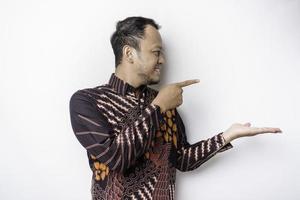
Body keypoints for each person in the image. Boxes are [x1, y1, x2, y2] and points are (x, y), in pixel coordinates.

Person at [69, 16, 282, 200]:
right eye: (156, 52)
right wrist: (159, 106)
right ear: (129, 53)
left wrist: (227, 135)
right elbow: (116, 158)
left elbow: (181, 159)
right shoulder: (87, 101)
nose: (163, 60)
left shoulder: (162, 102)